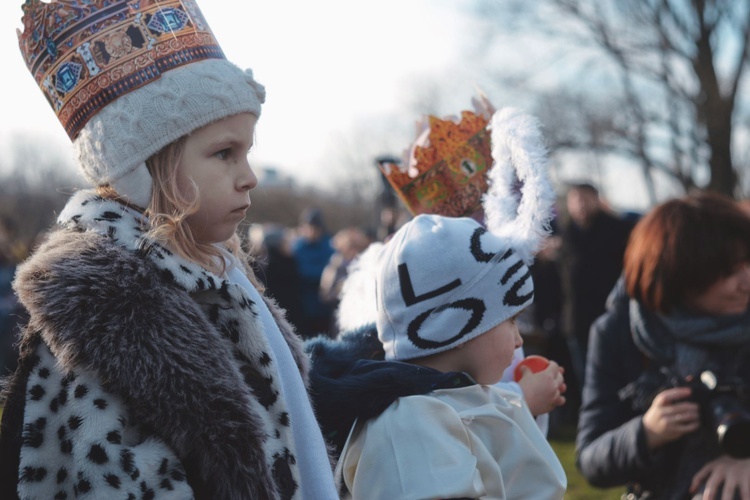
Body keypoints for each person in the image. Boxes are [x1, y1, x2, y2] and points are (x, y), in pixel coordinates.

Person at [0, 1, 337, 498]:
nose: (250, 177)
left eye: (247, 151)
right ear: (147, 167)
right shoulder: (107, 311)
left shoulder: (216, 270)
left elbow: (276, 410)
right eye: (224, 153)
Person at [308, 107, 568, 498]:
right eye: (509, 322)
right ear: (457, 324)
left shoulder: (447, 398)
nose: (519, 341)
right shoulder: (408, 429)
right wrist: (520, 403)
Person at [576, 192, 750, 500]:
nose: (746, 281)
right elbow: (590, 460)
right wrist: (646, 433)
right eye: (728, 271)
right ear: (678, 274)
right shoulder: (618, 333)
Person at [557, 182, 633, 408]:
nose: (580, 204)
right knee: (586, 377)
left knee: (618, 372)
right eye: (575, 199)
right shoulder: (565, 234)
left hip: (612, 316)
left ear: (597, 200)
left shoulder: (618, 229)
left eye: (585, 198)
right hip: (577, 320)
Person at [292, 208, 335, 338]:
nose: (311, 232)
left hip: (323, 308)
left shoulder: (329, 247)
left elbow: (326, 272)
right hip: (302, 306)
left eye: (314, 228)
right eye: (308, 227)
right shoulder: (298, 246)